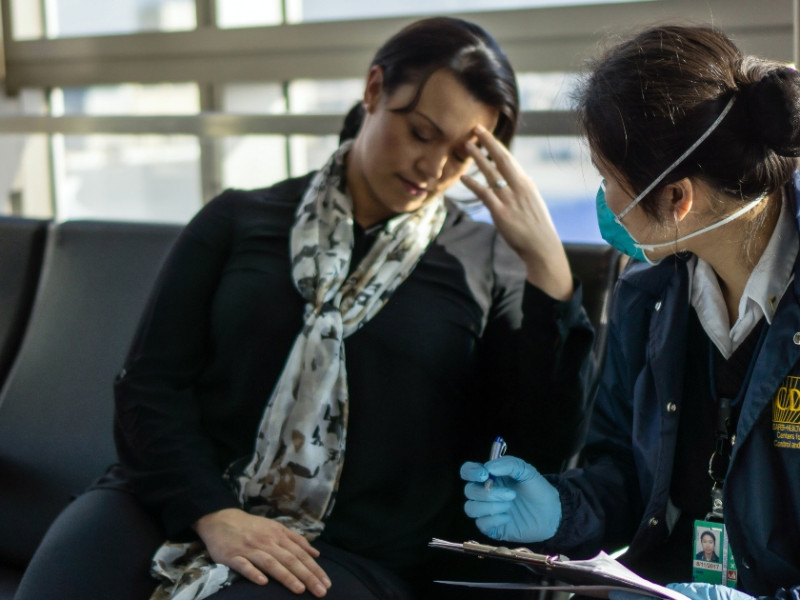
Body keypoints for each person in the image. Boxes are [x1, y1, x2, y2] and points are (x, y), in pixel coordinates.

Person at [14, 16, 594, 600]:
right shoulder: (239, 219)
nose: (435, 169)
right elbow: (148, 384)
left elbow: (535, 444)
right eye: (421, 133)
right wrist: (213, 513)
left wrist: (549, 271)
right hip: (172, 498)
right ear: (373, 91)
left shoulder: (487, 264)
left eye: (462, 154)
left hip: (346, 548)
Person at [461, 23, 800, 600]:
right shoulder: (647, 297)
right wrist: (558, 509)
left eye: (607, 179)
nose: (604, 201)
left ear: (676, 199)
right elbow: (620, 475)